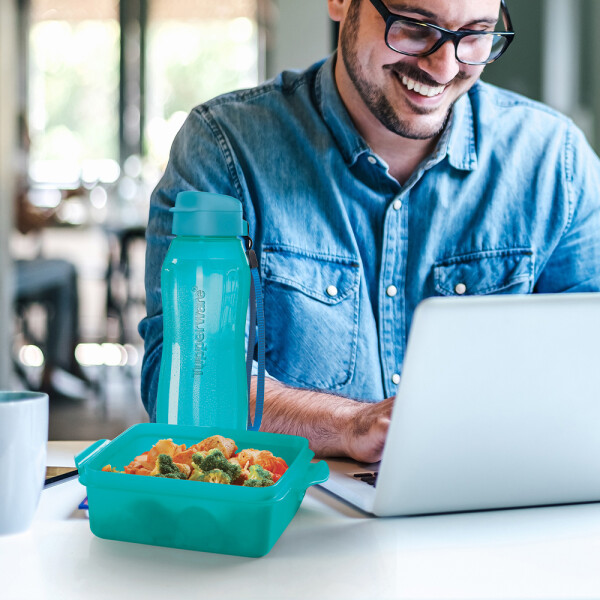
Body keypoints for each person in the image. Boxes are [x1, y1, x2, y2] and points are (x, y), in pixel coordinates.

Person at [139, 0, 600, 461]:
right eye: (416, 28)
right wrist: (347, 425)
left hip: (490, 511)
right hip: (296, 516)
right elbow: (181, 379)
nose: (443, 66)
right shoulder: (226, 148)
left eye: (475, 34)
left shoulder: (554, 161)